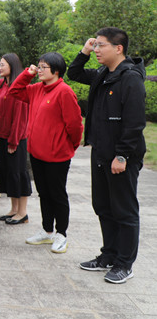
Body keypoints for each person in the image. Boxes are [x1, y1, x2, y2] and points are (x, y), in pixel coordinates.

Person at [68, 27, 146, 284]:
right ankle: (109, 255)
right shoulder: (103, 74)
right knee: (103, 206)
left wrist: (122, 156)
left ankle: (125, 263)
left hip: (121, 157)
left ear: (118, 48)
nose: (96, 50)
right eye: (95, 45)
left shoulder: (130, 78)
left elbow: (135, 123)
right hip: (101, 152)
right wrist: (84, 51)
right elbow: (74, 73)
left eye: (100, 45)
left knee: (124, 210)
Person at [9, 52, 83, 254]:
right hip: (37, 153)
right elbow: (14, 91)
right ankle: (47, 230)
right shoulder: (36, 89)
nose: (39, 70)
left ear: (56, 71)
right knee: (44, 193)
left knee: (57, 194)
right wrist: (28, 74)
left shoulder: (64, 92)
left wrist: (70, 146)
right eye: (39, 66)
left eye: (43, 67)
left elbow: (75, 125)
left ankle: (61, 234)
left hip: (57, 155)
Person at [0, 54, 31, 224]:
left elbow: (20, 118)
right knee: (8, 174)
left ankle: (22, 212)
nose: (0, 67)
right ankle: (14, 209)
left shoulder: (18, 88)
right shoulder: (0, 85)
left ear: (12, 66)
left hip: (15, 138)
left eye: (3, 65)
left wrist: (14, 140)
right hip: (0, 136)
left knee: (17, 173)